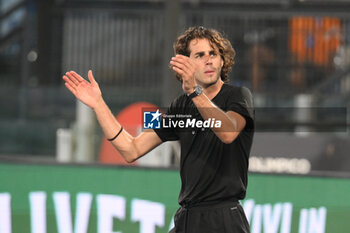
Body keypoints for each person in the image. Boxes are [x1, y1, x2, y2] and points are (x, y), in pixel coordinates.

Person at [63, 26, 254, 233]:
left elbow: (228, 132)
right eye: (200, 55)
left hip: (223, 218)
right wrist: (98, 104)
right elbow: (131, 149)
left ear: (222, 60)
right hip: (187, 217)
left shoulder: (239, 96)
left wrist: (194, 91)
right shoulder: (179, 106)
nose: (209, 60)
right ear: (185, 64)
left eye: (214, 54)